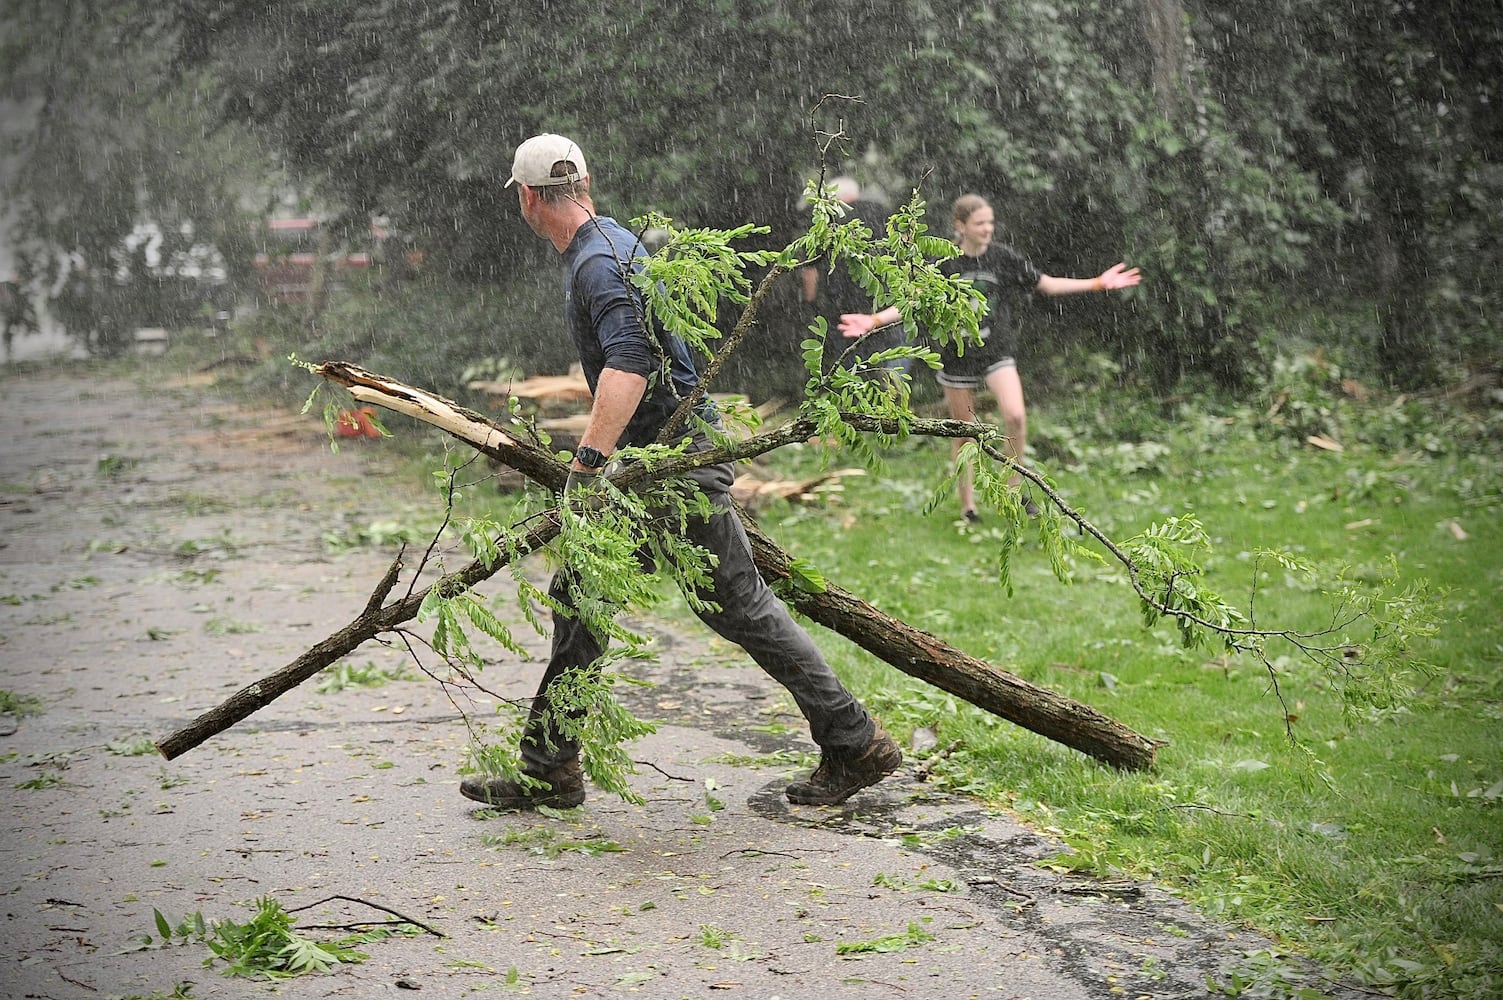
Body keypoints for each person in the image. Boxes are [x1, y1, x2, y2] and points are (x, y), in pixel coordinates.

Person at [460, 134, 901, 811]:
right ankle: (548, 766)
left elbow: (629, 364)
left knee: (738, 607)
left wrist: (586, 466)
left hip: (663, 471)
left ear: (526, 197)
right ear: (586, 182)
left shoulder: (599, 263)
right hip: (648, 469)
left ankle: (853, 739)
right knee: (581, 601)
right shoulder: (610, 244)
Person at [840, 192, 1141, 521]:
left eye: (991, 223)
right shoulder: (945, 262)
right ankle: (968, 507)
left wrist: (1097, 283)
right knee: (963, 434)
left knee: (1015, 417)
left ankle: (1014, 491)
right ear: (961, 226)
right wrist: (874, 320)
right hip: (957, 356)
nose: (987, 229)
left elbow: (1047, 285)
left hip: (996, 350)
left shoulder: (1001, 257)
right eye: (980, 223)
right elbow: (913, 302)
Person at [802, 177, 907, 374]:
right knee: (893, 360)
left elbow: (810, 270)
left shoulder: (828, 222)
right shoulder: (881, 212)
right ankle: (893, 389)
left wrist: (811, 305)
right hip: (887, 302)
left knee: (855, 367)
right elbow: (904, 246)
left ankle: (860, 390)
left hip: (845, 306)